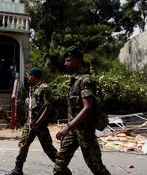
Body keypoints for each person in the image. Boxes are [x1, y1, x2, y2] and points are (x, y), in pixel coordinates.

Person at [53, 46, 111, 175]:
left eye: (68, 60)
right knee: (59, 165)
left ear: (78, 60)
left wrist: (68, 126)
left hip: (85, 131)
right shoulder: (74, 81)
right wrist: (69, 127)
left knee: (96, 166)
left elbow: (87, 107)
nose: (65, 63)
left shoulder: (85, 80)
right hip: (73, 131)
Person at [7, 67, 58, 175]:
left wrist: (38, 122)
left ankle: (62, 169)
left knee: (48, 149)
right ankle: (17, 170)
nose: (28, 77)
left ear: (33, 76)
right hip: (31, 122)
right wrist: (28, 102)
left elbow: (48, 107)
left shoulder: (45, 88)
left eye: (29, 75)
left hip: (40, 123)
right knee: (23, 144)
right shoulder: (33, 89)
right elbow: (33, 106)